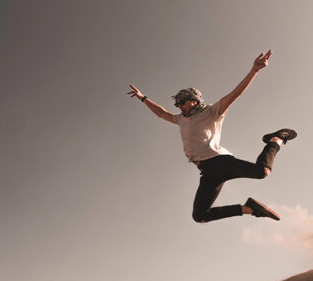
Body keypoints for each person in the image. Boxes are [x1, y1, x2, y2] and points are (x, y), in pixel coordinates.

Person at [127, 50, 297, 223]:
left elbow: (235, 94)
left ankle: (276, 139)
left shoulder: (211, 112)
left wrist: (254, 70)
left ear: (193, 100)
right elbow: (161, 113)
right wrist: (143, 98)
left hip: (220, 162)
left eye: (182, 102)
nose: (179, 106)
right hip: (207, 172)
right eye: (177, 103)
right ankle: (249, 208)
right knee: (199, 216)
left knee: (262, 172)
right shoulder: (180, 119)